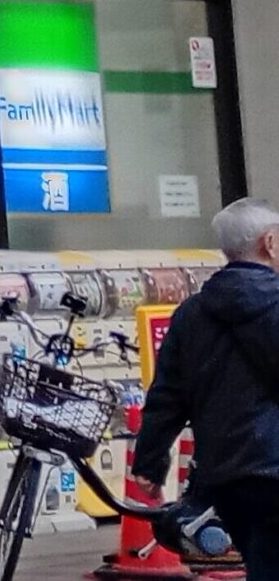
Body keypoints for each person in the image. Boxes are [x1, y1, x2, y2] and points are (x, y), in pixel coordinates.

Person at [135, 197, 279, 581]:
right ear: (269, 243)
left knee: (262, 562)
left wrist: (149, 462)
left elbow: (167, 395)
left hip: (225, 475)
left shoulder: (191, 313)